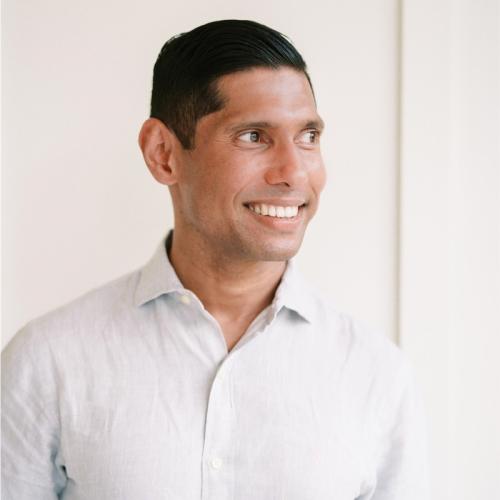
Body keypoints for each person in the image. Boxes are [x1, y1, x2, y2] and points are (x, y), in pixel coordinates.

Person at [1, 19, 430, 499]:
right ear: (163, 154)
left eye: (308, 136)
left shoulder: (377, 375)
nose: (294, 172)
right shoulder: (48, 361)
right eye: (253, 136)